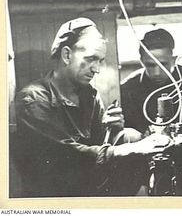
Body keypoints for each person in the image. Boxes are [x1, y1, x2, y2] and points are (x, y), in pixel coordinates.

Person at [13, 18, 171, 197]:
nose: (96, 69)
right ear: (66, 55)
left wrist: (111, 130)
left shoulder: (89, 96)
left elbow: (97, 146)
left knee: (130, 135)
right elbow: (64, 156)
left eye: (100, 61)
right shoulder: (33, 99)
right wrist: (128, 148)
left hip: (86, 183)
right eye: (91, 59)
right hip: (54, 194)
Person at [121, 29, 182, 135]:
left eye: (163, 64)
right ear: (142, 61)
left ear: (173, 60)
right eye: (150, 65)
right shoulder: (127, 90)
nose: (157, 73)